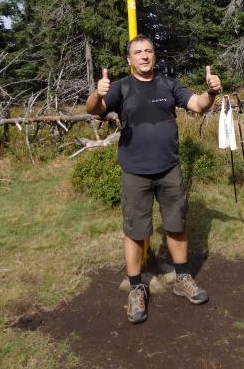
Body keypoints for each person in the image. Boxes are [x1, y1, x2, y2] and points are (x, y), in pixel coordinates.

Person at [86, 34, 221, 324]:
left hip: (169, 168)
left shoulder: (168, 84)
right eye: (138, 52)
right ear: (129, 59)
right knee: (136, 231)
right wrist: (97, 94)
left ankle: (182, 278)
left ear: (154, 55)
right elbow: (94, 109)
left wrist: (211, 92)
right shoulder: (121, 87)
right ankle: (136, 288)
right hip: (135, 171)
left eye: (148, 51)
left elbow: (198, 105)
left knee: (176, 224)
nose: (144, 56)